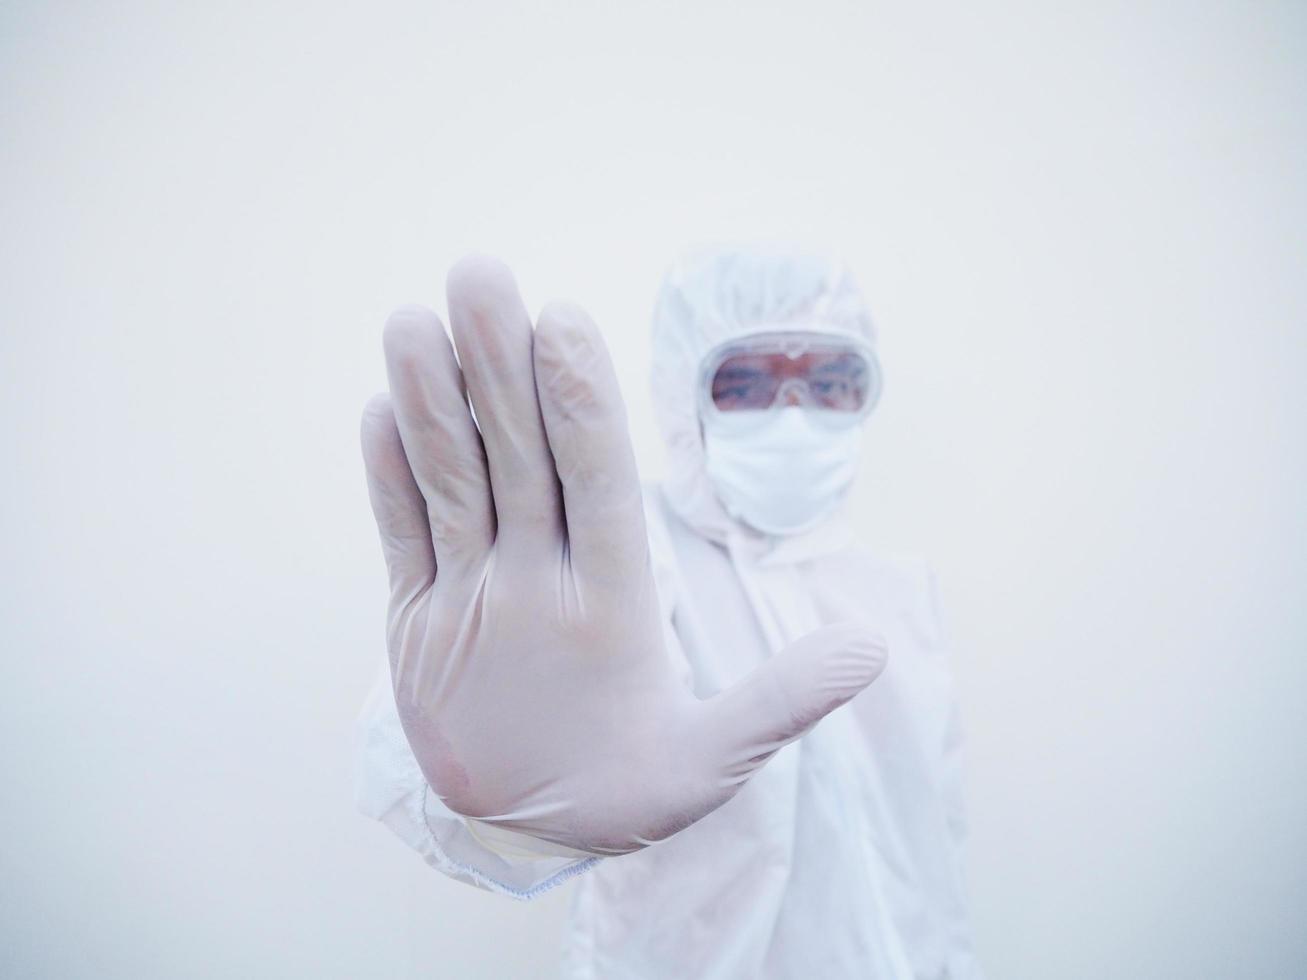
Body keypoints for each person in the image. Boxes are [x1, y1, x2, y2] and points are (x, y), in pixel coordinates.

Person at [356, 246, 984, 978]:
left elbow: (937, 843)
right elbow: (436, 736)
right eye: (744, 381)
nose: (792, 412)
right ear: (684, 391)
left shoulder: (899, 591)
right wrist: (485, 802)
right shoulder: (622, 553)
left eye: (829, 379)